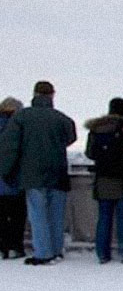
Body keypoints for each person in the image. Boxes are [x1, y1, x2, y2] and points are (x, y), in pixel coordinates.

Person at [0, 81, 76, 265]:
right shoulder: (62, 119)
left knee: (38, 213)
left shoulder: (22, 117)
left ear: (34, 94)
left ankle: (43, 252)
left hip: (32, 173)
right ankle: (57, 249)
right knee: (56, 214)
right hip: (58, 171)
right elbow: (71, 137)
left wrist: (6, 171)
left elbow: (10, 147)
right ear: (52, 95)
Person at [84, 97, 123, 263]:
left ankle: (102, 253)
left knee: (104, 217)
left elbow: (90, 153)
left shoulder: (97, 129)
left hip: (103, 178)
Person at [0, 97, 26, 259]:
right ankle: (16, 246)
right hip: (15, 179)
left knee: (2, 216)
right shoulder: (18, 127)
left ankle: (3, 247)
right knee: (18, 215)